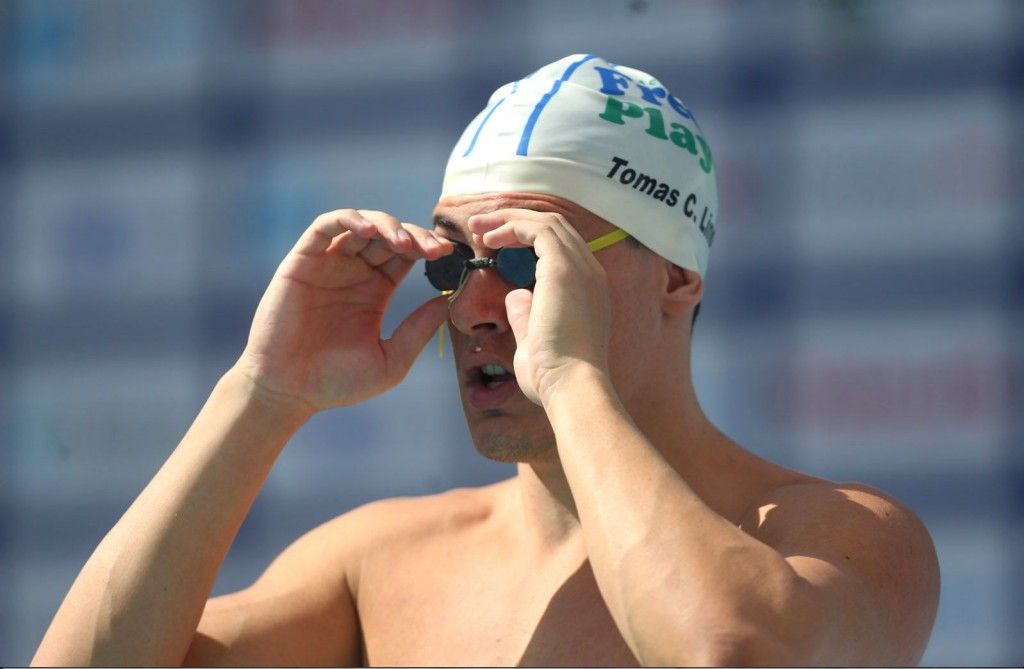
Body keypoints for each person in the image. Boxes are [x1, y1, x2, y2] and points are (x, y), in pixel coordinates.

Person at [32, 54, 939, 667]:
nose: (471, 306)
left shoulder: (843, 536)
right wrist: (260, 394)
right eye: (450, 259)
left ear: (673, 277)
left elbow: (726, 648)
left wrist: (573, 380)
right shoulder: (382, 562)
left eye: (523, 262)